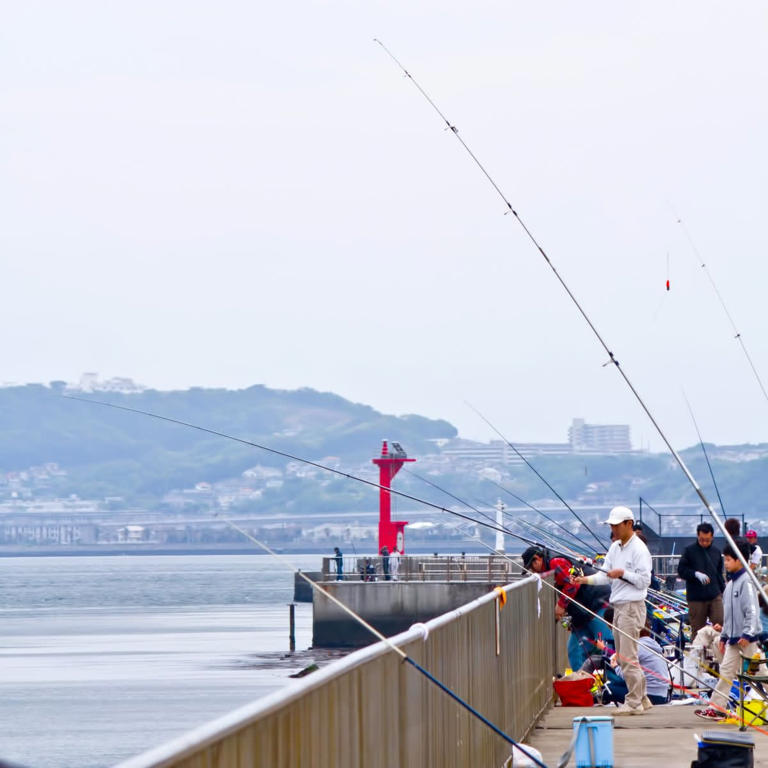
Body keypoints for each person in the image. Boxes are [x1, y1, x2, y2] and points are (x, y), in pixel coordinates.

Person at [573, 505, 652, 716]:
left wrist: (623, 573)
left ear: (629, 524)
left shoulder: (639, 549)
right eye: (612, 526)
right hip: (619, 606)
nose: (614, 530)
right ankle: (642, 698)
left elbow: (645, 581)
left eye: (617, 525)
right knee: (626, 654)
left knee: (626, 656)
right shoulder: (616, 547)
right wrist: (584, 580)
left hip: (632, 607)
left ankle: (634, 701)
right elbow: (604, 575)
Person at [695, 539, 761, 721]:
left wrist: (748, 633)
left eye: (729, 560)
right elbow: (728, 616)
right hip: (733, 640)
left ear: (739, 560)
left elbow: (752, 611)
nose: (725, 563)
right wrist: (723, 636)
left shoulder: (747, 582)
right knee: (726, 673)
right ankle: (717, 708)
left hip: (748, 640)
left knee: (760, 674)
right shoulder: (730, 585)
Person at [522, 546, 611, 670]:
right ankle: (582, 685)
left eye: (532, 567)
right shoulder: (552, 563)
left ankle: (616, 683)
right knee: (574, 651)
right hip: (582, 614)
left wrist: (560, 605)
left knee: (606, 645)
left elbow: (572, 583)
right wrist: (569, 618)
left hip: (596, 605)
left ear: (537, 559)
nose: (534, 572)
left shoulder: (555, 562)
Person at [677, 522, 725, 640]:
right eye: (701, 539)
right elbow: (681, 570)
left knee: (720, 624)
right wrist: (695, 574)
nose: (704, 542)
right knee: (698, 631)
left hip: (714, 594)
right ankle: (698, 656)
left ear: (712, 537)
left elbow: (718, 573)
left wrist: (723, 589)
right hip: (696, 597)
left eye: (707, 540)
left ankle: (718, 652)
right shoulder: (689, 551)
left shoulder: (716, 552)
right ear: (698, 536)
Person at [605, 622, 671, 706]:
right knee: (613, 684)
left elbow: (628, 674)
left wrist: (616, 667)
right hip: (662, 695)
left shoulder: (637, 647)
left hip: (649, 695)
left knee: (607, 690)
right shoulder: (653, 645)